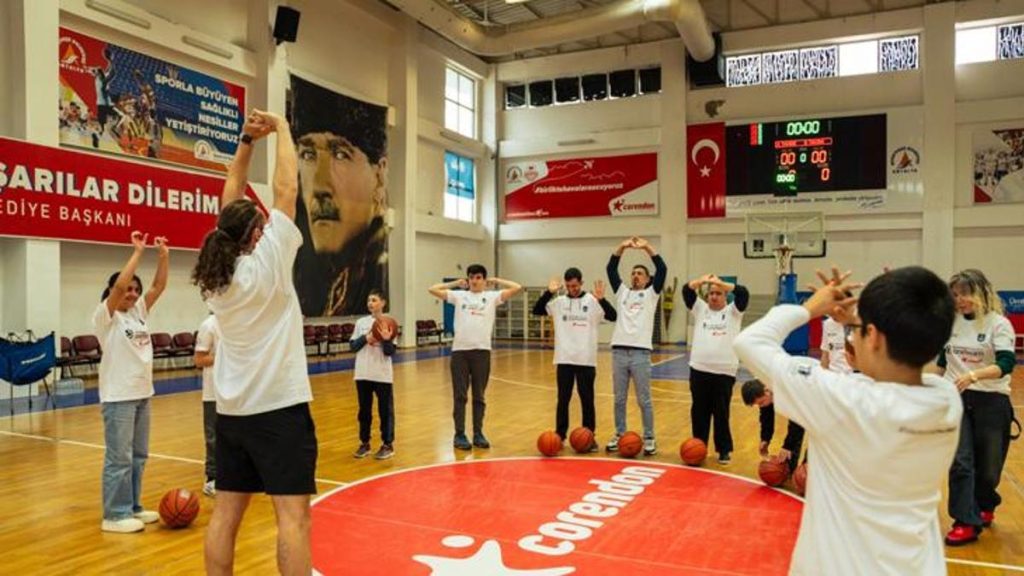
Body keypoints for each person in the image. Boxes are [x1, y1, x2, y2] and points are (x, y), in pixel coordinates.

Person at [734, 266, 960, 575]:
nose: (851, 337)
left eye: (856, 330)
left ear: (874, 337)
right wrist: (874, 316)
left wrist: (810, 307)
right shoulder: (946, 398)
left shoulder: (842, 401)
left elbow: (749, 342)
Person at [192, 109, 317, 576]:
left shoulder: (214, 279)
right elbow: (287, 191)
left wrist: (247, 140)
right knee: (293, 519)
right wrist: (283, 127)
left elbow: (231, 200)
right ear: (258, 234)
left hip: (232, 413)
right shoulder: (269, 264)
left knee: (226, 515)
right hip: (278, 411)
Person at [290, 76, 389, 317]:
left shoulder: (374, 268)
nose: (320, 185)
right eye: (308, 155)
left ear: (379, 177)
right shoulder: (310, 279)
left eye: (341, 155)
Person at [93, 231, 169, 533]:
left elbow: (159, 285)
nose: (132, 293)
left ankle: (133, 507)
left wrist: (163, 256)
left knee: (138, 456)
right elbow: (122, 284)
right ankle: (114, 514)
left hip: (142, 394)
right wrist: (138, 253)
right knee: (119, 458)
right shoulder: (106, 317)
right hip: (118, 397)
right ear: (112, 292)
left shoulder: (138, 313)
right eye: (127, 290)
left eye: (136, 291)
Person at [938, 269, 1018, 546]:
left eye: (966, 293)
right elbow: (942, 362)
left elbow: (1007, 364)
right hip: (956, 397)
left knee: (988, 469)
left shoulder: (999, 325)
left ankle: (986, 502)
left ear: (982, 292)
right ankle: (964, 520)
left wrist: (974, 375)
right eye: (956, 295)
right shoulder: (951, 324)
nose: (960, 300)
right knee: (960, 462)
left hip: (991, 400)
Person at [429, 265, 522, 450]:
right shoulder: (459, 296)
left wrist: (496, 281)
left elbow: (517, 287)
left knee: (479, 396)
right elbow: (432, 289)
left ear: (484, 280)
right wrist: (455, 283)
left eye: (478, 277)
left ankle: (478, 433)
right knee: (460, 396)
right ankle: (459, 434)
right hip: (460, 352)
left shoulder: (492, 297)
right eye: (471, 277)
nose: (474, 280)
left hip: (482, 352)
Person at [531, 268, 617, 448]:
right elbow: (537, 310)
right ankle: (560, 435)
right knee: (563, 399)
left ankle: (589, 436)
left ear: (581, 283)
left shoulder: (592, 301)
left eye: (576, 285)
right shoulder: (559, 302)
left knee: (587, 400)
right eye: (569, 286)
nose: (573, 289)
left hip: (586, 359)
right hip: (564, 359)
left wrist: (602, 299)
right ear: (566, 285)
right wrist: (549, 292)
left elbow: (613, 316)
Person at [605, 237, 667, 456]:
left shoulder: (651, 294)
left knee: (644, 399)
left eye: (640, 273)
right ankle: (620, 433)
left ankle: (649, 436)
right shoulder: (622, 292)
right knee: (619, 399)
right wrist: (622, 247)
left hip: (641, 353)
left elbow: (662, 268)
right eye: (633, 272)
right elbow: (611, 268)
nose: (635, 275)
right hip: (619, 352)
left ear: (648, 279)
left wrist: (646, 248)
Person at [682, 274, 749, 464]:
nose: (713, 296)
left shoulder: (734, 311)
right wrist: (701, 282)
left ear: (725, 296)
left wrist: (722, 284)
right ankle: (699, 447)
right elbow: (686, 291)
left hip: (724, 372)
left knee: (721, 413)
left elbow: (743, 293)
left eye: (718, 293)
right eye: (711, 293)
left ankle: (724, 450)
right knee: (699, 412)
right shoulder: (700, 309)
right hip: (699, 369)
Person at [350, 289, 397, 460]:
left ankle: (387, 444)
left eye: (374, 300)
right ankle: (364, 443)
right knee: (364, 411)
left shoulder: (390, 322)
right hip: (362, 373)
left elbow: (390, 352)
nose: (371, 303)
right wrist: (366, 338)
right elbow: (353, 346)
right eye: (369, 300)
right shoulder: (361, 322)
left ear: (383, 303)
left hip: (382, 375)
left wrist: (385, 339)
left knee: (385, 411)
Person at [740, 379, 804, 473]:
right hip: (799, 414)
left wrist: (788, 446)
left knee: (809, 446)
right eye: (758, 404)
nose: (761, 406)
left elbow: (797, 423)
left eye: (761, 403)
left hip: (816, 409)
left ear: (767, 391)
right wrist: (765, 439)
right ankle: (789, 470)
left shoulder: (787, 393)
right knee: (790, 450)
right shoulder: (766, 394)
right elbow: (766, 418)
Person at [193, 312, 219, 497]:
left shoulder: (238, 321)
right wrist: (226, 357)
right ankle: (212, 479)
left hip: (238, 392)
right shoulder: (209, 324)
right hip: (214, 392)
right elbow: (199, 360)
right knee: (214, 438)